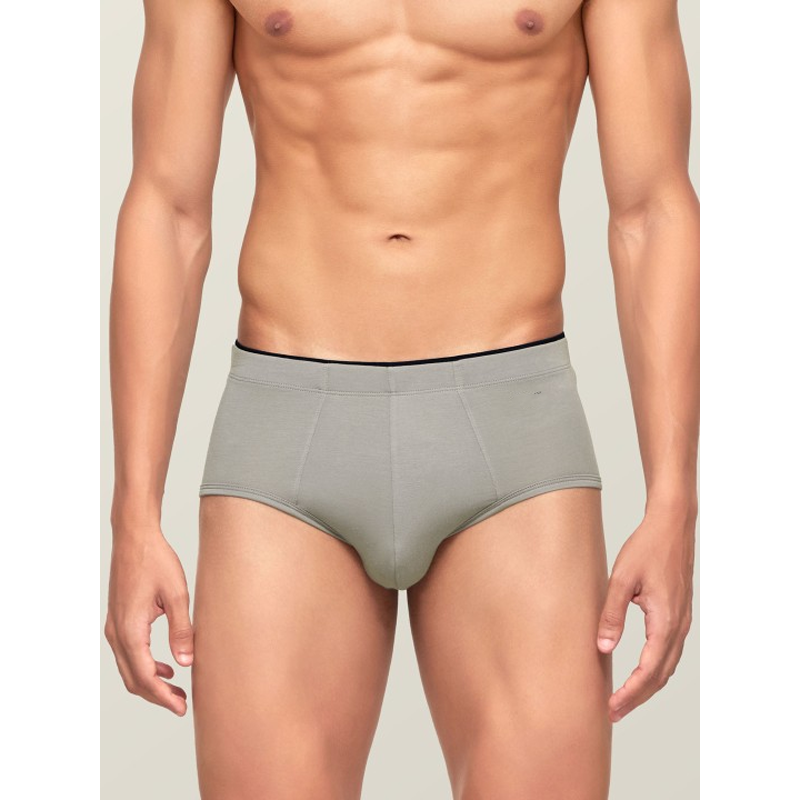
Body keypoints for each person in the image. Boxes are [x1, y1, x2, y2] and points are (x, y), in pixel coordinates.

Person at [104, 0, 698, 796]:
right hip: (287, 434)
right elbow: (167, 206)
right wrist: (134, 515)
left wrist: (673, 503)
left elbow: (653, 209)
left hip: (513, 437)